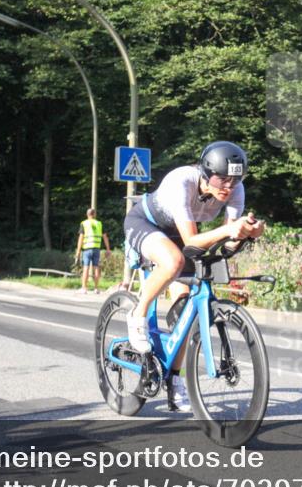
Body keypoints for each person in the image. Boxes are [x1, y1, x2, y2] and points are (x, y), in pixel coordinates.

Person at [122, 141, 265, 411]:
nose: (228, 186)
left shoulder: (235, 190)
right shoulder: (182, 181)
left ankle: (174, 380)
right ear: (205, 172)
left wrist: (247, 233)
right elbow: (190, 241)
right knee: (173, 261)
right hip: (146, 223)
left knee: (186, 312)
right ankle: (137, 314)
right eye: (222, 179)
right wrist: (230, 229)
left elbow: (227, 245)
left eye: (236, 179)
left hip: (183, 231)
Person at [75, 208, 112, 294]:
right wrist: (108, 249)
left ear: (87, 214)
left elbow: (81, 238)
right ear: (94, 214)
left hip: (87, 249)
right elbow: (105, 237)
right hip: (96, 249)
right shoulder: (99, 224)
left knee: (86, 268)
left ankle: (84, 288)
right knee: (96, 268)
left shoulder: (84, 223)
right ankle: (96, 288)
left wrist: (78, 251)